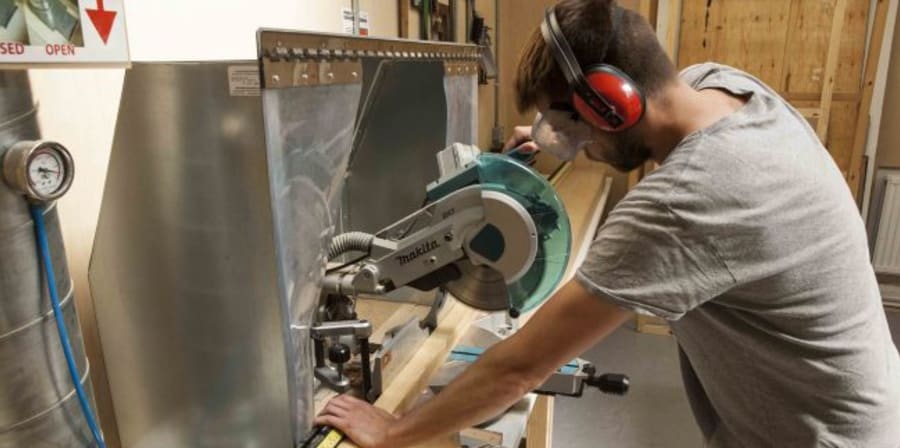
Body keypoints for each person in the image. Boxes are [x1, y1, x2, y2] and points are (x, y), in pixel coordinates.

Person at [316, 0, 900, 446]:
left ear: (612, 104)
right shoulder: (718, 85)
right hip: (852, 404)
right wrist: (551, 141)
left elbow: (518, 368)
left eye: (572, 127)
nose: (574, 146)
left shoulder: (688, 200)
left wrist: (394, 432)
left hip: (819, 435)